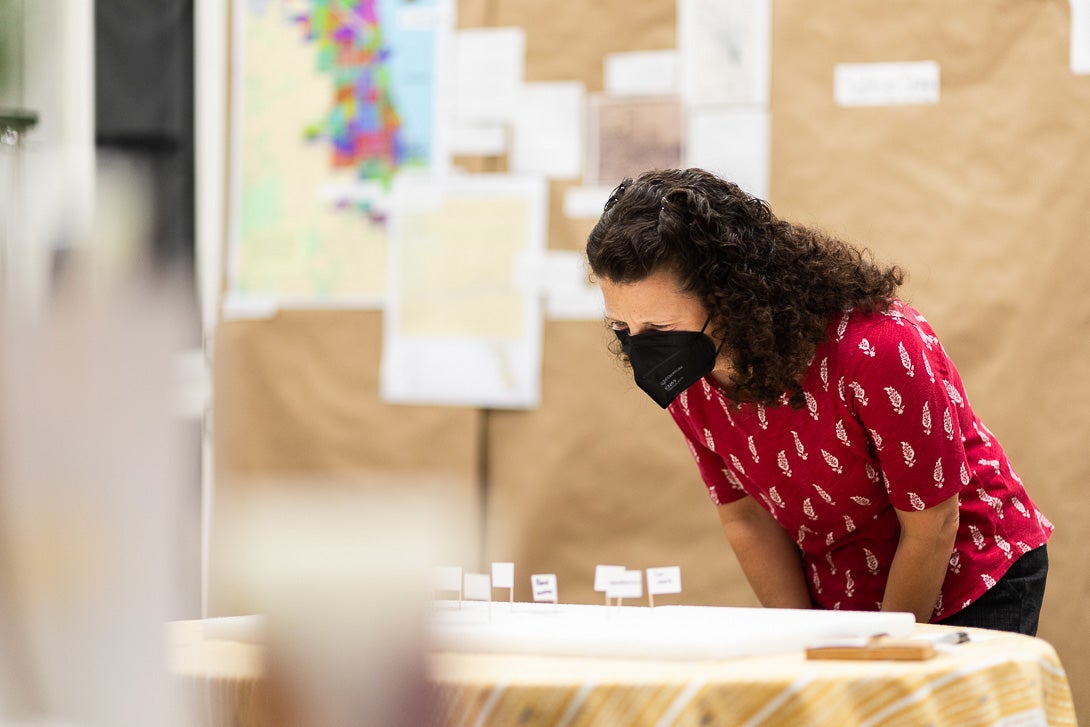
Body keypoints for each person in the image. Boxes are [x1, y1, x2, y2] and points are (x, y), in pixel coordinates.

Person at [585, 167, 1052, 634]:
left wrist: (882, 654)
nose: (641, 350)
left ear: (729, 297)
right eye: (623, 329)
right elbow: (745, 514)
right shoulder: (688, 377)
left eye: (660, 330)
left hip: (968, 570)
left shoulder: (878, 348)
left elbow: (934, 525)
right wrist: (801, 639)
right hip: (844, 584)